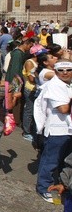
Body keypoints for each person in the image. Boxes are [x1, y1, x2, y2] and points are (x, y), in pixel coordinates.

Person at [34, 59, 72, 203]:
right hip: (57, 130)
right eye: (61, 70)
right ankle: (44, 187)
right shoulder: (54, 86)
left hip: (68, 130)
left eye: (68, 70)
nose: (65, 73)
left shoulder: (67, 85)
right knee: (51, 161)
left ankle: (61, 185)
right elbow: (63, 109)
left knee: (65, 162)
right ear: (55, 72)